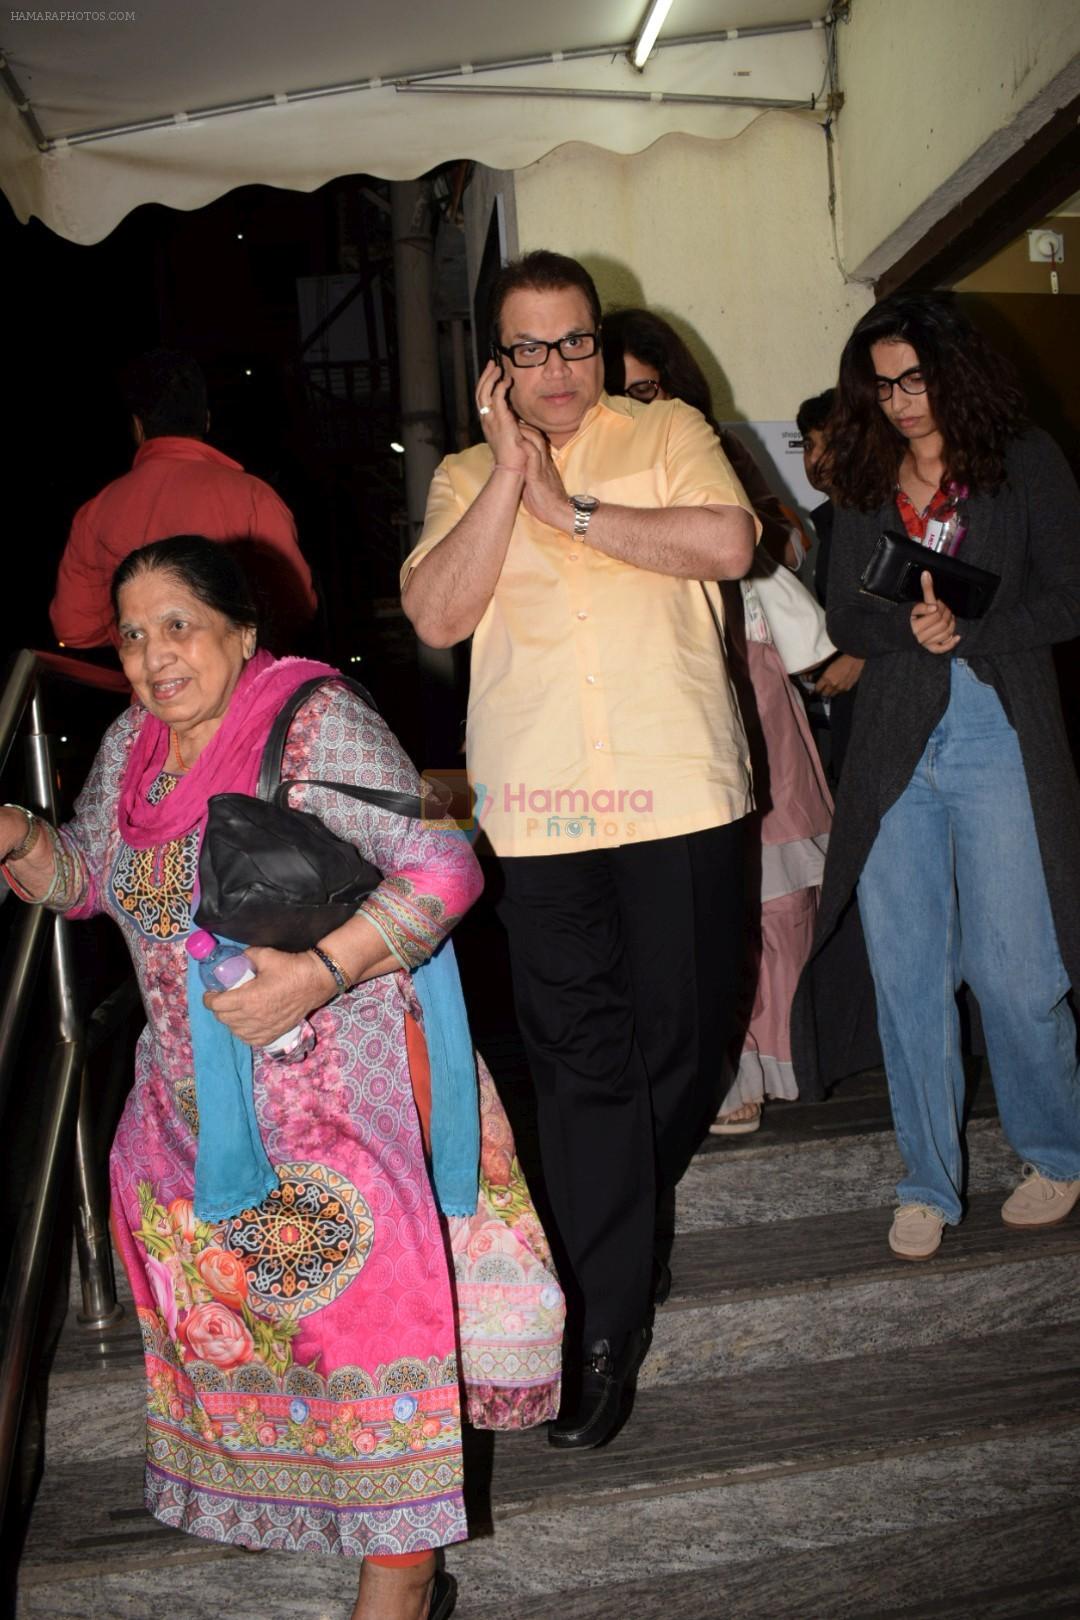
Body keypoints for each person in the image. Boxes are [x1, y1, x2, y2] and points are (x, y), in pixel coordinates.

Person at [4, 537, 482, 1620]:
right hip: (193, 1121)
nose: (151, 654)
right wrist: (17, 837)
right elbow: (87, 881)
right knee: (281, 1355)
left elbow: (444, 868)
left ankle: (402, 1580)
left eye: (177, 624)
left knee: (374, 1349)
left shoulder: (312, 721)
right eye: (129, 633)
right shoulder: (135, 743)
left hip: (334, 1121)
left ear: (241, 629)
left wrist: (311, 978)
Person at [401, 251, 757, 1449]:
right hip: (542, 819)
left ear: (598, 343)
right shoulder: (461, 475)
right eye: (530, 349)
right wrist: (511, 483)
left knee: (691, 1037)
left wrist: (577, 512)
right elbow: (440, 615)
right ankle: (605, 1327)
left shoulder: (668, 434)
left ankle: (619, 1215)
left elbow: (729, 542)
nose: (557, 371)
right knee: (581, 1063)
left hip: (681, 794)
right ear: (497, 364)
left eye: (574, 343)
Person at [793, 292, 1080, 1261]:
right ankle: (926, 1179)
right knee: (908, 970)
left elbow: (1070, 597)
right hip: (894, 746)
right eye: (885, 384)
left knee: (1018, 971)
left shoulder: (1025, 460)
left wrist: (975, 627)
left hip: (1000, 726)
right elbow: (844, 613)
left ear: (957, 370)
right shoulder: (870, 477)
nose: (904, 401)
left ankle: (1056, 1149)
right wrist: (903, 626)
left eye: (916, 378)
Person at [602, 308, 833, 1136]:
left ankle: (794, 1052)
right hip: (664, 705)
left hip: (757, 684)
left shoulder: (710, 450)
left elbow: (790, 540)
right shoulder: (589, 476)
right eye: (620, 393)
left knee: (782, 901)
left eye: (650, 389)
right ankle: (727, 1077)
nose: (637, 406)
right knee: (696, 905)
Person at [50, 349, 317, 652]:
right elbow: (297, 605)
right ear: (206, 420)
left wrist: (137, 631)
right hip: (243, 688)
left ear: (138, 427)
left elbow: (73, 628)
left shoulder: (95, 512)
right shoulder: (253, 496)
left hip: (154, 691)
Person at [796, 388, 863, 779]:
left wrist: (859, 659)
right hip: (848, 711)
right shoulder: (827, 523)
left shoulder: (882, 516)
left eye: (831, 444)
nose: (816, 459)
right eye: (808, 445)